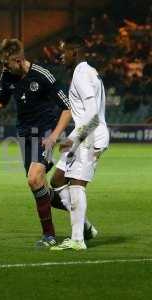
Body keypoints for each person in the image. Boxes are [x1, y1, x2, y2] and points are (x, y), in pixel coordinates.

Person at [0, 38, 72, 247]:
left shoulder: (42, 75)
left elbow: (67, 108)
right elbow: (1, 101)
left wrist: (54, 136)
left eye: (6, 63)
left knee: (34, 179)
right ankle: (79, 215)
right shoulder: (7, 75)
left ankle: (49, 236)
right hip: (24, 134)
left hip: (44, 132)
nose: (4, 67)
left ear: (18, 59)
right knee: (39, 187)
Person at [50, 36, 109, 251]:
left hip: (90, 135)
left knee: (76, 184)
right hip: (83, 132)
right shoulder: (86, 71)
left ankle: (77, 240)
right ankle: (84, 227)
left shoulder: (82, 74)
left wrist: (74, 139)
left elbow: (92, 115)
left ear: (74, 52)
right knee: (57, 181)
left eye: (63, 51)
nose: (60, 56)